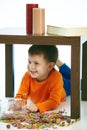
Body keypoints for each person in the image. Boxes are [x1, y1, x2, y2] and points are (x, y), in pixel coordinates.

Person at [9, 45, 66, 113]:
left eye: (36, 63)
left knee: (74, 79)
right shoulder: (27, 76)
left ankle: (59, 63)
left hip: (65, 86)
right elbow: (22, 95)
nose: (31, 67)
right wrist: (18, 103)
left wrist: (38, 106)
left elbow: (54, 102)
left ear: (50, 66)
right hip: (49, 78)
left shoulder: (57, 78)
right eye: (30, 62)